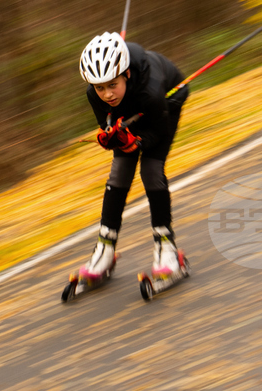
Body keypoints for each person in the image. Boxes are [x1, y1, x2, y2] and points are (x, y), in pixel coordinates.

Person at [77, 32, 189, 280]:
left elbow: (157, 133)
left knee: (151, 170)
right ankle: (104, 249)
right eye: (100, 88)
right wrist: (110, 135)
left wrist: (136, 141)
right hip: (133, 105)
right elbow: (108, 121)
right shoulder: (94, 94)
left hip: (166, 100)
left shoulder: (151, 91)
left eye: (112, 85)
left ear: (126, 74)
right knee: (119, 173)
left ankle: (166, 248)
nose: (107, 94)